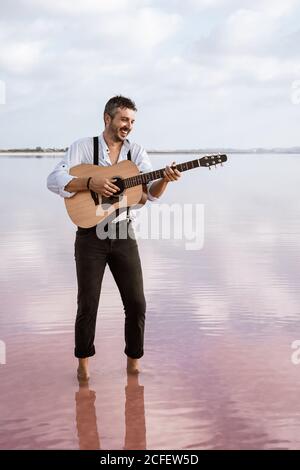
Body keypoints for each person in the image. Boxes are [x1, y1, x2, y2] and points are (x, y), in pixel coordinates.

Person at [47, 95, 181, 380]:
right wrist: (89, 182)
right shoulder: (83, 147)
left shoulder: (137, 153)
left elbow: (148, 195)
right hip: (89, 236)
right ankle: (83, 369)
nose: (128, 126)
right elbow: (54, 179)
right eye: (123, 120)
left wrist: (165, 180)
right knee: (88, 304)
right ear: (107, 118)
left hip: (123, 233)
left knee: (136, 303)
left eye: (132, 122)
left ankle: (134, 366)